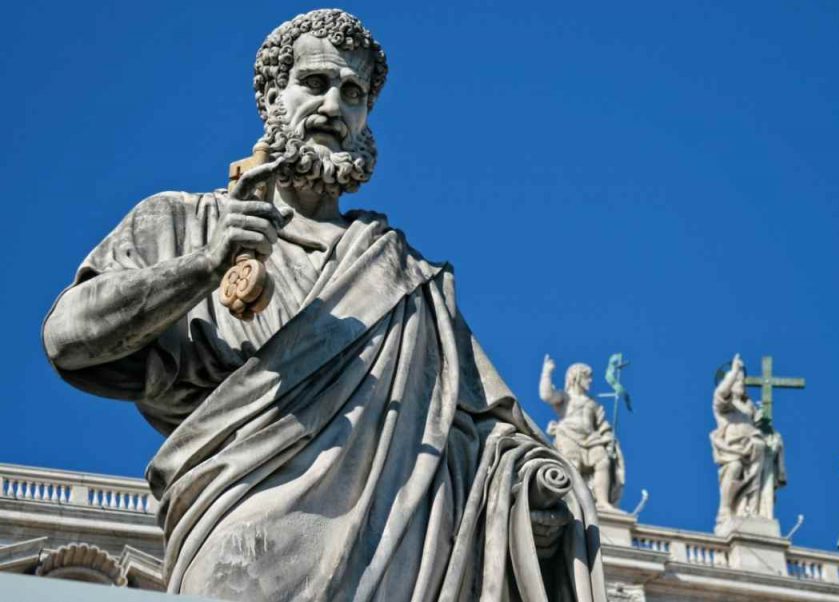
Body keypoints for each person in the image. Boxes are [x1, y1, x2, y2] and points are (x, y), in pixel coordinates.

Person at [42, 9, 606, 601]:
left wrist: (530, 492)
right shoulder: (186, 220)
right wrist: (205, 265)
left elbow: (481, 437)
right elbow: (68, 338)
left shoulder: (407, 279)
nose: (335, 106)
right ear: (271, 97)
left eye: (353, 93)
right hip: (241, 542)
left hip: (398, 559)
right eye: (315, 83)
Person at [709, 354, 785, 533]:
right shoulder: (724, 406)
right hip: (733, 449)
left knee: (757, 482)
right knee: (734, 467)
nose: (741, 383)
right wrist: (734, 372)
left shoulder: (750, 408)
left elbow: (761, 427)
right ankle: (725, 509)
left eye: (743, 381)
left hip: (754, 450)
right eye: (737, 381)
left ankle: (750, 510)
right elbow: (720, 394)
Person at [539, 355, 625, 510]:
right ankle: (571, 501)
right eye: (587, 377)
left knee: (603, 461)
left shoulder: (593, 403)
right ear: (577, 377)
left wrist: (608, 439)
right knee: (573, 464)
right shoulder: (565, 397)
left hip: (592, 438)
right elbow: (546, 395)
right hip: (568, 434)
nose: (590, 381)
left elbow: (603, 425)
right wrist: (547, 372)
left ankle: (602, 502)